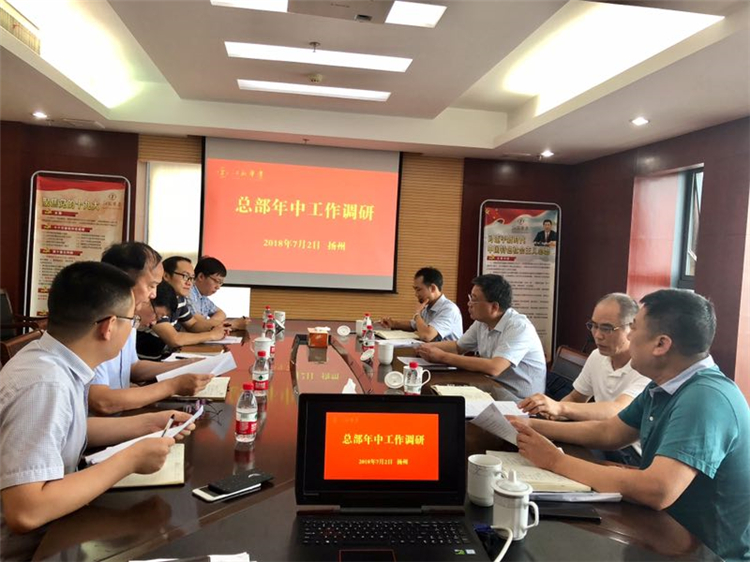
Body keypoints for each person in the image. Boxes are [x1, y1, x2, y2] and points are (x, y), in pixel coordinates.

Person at [510, 289, 750, 561]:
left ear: (661, 344)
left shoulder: (705, 398)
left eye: (634, 328)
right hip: (665, 534)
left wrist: (555, 461)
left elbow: (657, 490)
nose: (629, 337)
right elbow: (610, 432)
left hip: (705, 552)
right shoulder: (662, 386)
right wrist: (531, 426)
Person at [0, 261, 195, 560]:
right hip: (33, 549)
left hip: (58, 528)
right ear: (108, 326)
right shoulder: (46, 384)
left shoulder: (56, 360)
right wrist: (129, 460)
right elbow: (26, 512)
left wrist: (149, 423)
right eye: (132, 320)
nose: (133, 328)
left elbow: (70, 429)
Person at [89, 243, 212, 415]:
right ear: (123, 281)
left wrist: (186, 365)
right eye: (151, 285)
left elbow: (133, 367)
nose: (154, 294)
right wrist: (172, 385)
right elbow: (102, 402)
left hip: (119, 415)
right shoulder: (98, 323)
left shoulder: (131, 320)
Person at [519, 293, 649, 421]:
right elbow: (575, 398)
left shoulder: (646, 366)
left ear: (632, 328)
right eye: (594, 326)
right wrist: (553, 414)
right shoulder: (597, 356)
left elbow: (618, 410)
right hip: (597, 430)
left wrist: (559, 408)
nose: (597, 335)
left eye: (606, 328)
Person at [416, 274, 546, 399]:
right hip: (491, 387)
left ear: (494, 307)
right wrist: (424, 347)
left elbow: (494, 367)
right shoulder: (482, 322)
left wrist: (442, 357)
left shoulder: (518, 327)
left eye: (474, 299)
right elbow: (457, 347)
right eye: (470, 297)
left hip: (519, 399)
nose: (469, 303)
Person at [136, 256, 226, 358]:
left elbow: (193, 325)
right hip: (146, 362)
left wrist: (216, 328)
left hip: (163, 358)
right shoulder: (157, 300)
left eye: (192, 278)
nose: (189, 283)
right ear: (166, 276)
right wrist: (211, 335)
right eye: (185, 276)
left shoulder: (179, 299)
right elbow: (174, 339)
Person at [380, 267, 463, 342]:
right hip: (430, 352)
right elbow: (414, 325)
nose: (416, 294)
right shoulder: (428, 306)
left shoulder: (449, 309)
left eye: (418, 290)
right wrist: (393, 323)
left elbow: (427, 335)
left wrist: (417, 314)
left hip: (446, 354)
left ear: (432, 288)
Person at [187, 256, 249, 330]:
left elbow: (221, 313)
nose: (218, 287)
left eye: (220, 283)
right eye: (217, 281)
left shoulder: (202, 296)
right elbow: (197, 323)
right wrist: (233, 324)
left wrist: (211, 324)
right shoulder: (188, 293)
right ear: (201, 277)